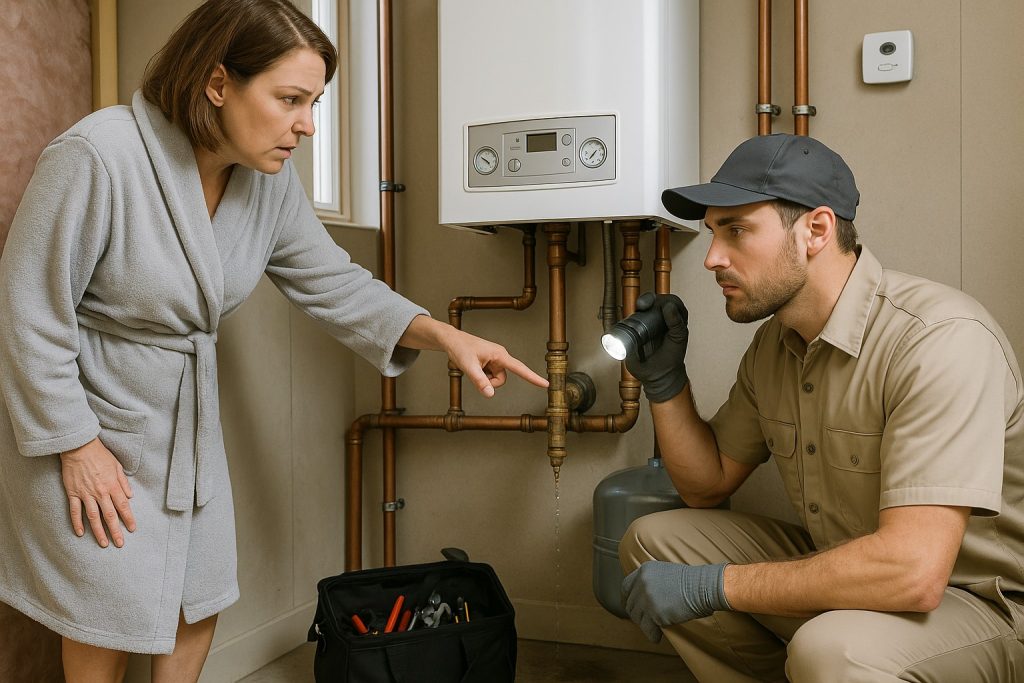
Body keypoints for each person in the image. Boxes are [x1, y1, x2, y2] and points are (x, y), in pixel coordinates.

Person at [0, 1, 547, 681]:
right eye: (290, 99)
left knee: (199, 600)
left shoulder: (267, 184)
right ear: (218, 82)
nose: (307, 125)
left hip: (184, 434)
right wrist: (75, 443)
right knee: (102, 610)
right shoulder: (98, 155)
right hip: (88, 420)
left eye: (313, 102)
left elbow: (336, 284)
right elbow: (27, 307)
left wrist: (446, 336)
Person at [618, 133, 1024, 682]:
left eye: (736, 230)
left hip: (976, 606)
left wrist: (714, 586)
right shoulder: (775, 345)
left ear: (816, 230)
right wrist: (665, 383)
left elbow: (913, 573)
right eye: (713, 232)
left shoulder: (939, 339)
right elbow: (706, 485)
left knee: (833, 651)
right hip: (855, 580)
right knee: (655, 541)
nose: (713, 257)